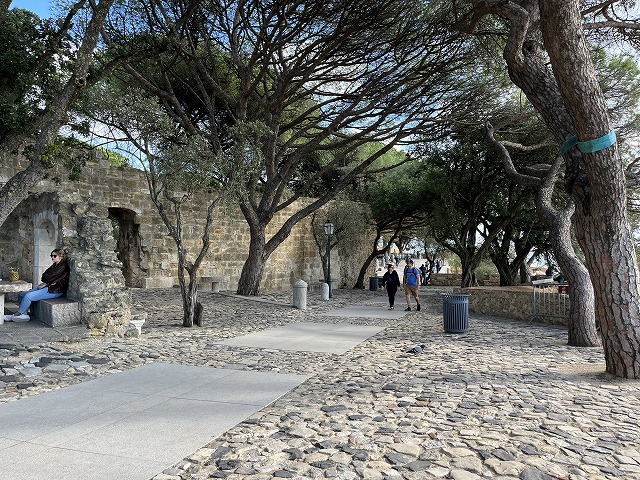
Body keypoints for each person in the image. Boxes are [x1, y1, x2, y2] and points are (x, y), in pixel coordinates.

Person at [4, 249, 70, 322]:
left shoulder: (63, 267)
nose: (52, 257)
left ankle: (17, 315)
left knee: (28, 296)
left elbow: (50, 278)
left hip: (55, 290)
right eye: (51, 255)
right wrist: (50, 280)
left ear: (61, 256)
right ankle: (24, 313)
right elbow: (43, 276)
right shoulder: (54, 265)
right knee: (22, 294)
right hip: (49, 286)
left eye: (54, 256)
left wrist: (50, 279)